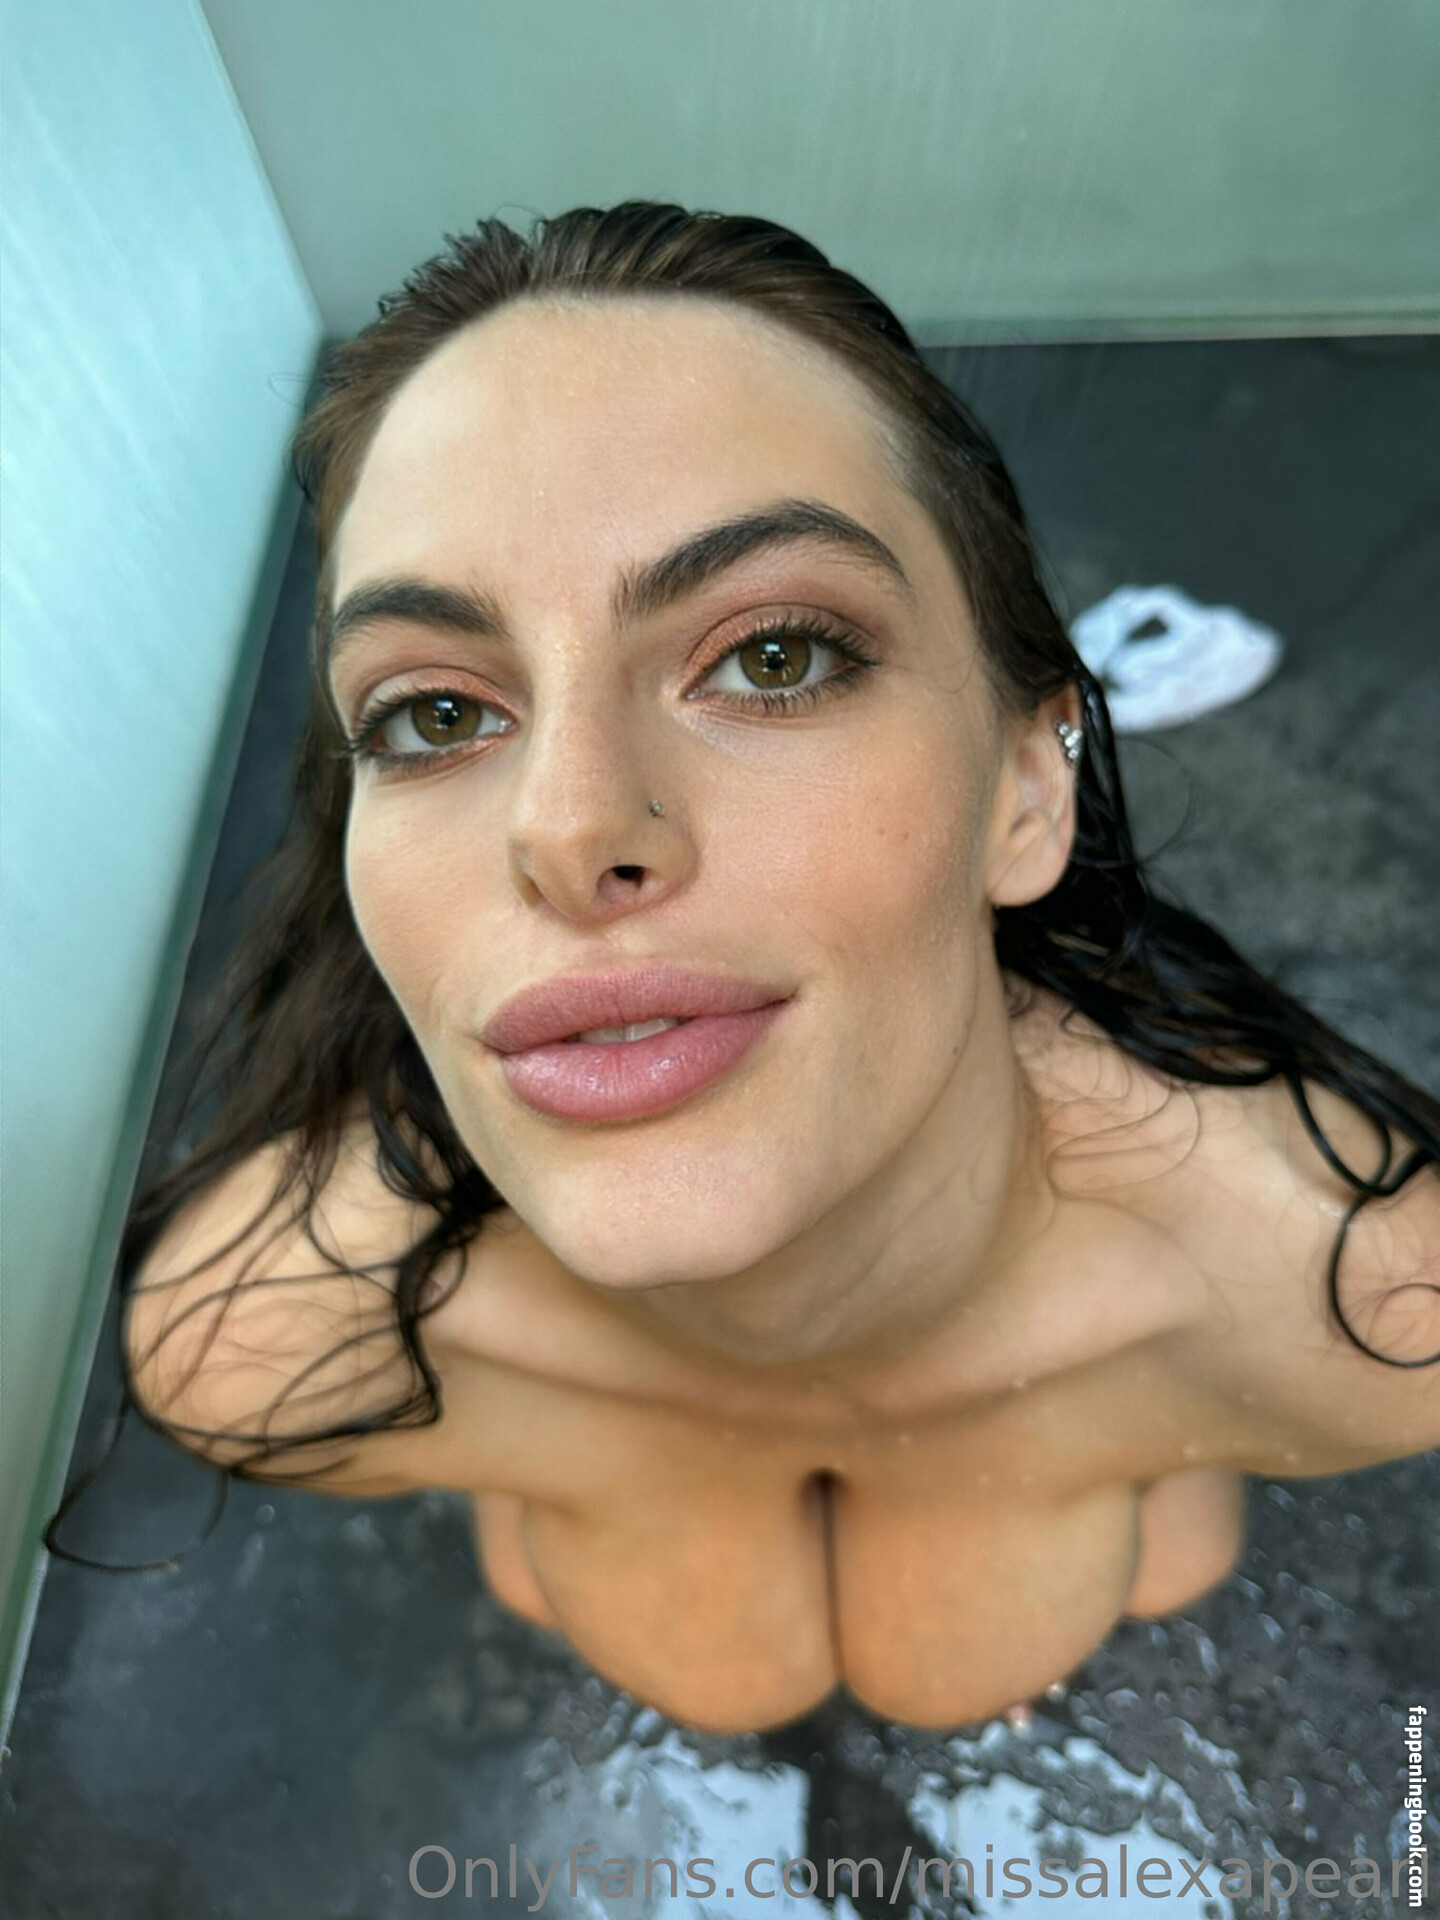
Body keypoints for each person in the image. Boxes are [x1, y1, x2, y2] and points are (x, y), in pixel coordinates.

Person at [48, 202, 1439, 1736]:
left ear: (1027, 786)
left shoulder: (1359, 1307)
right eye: (435, 715)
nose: (571, 829)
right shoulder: (268, 1340)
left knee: (1150, 1555)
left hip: (1146, 1388)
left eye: (776, 656)